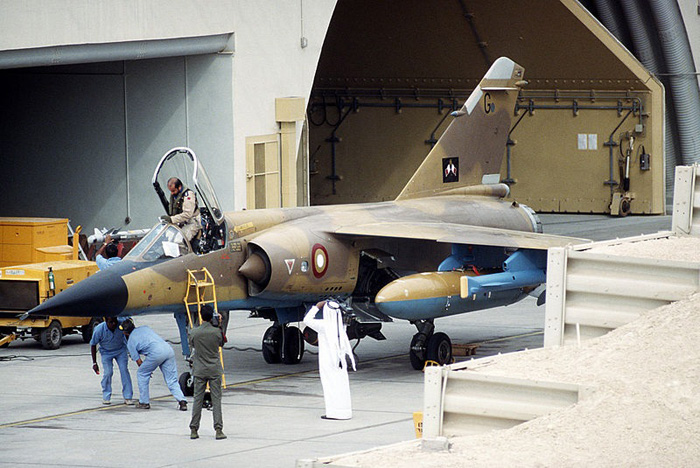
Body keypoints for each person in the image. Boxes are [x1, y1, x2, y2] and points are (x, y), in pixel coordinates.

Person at [303, 300, 356, 420]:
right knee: (342, 386)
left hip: (328, 360)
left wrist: (317, 307)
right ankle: (345, 412)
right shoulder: (341, 326)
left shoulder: (324, 325)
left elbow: (307, 320)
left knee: (330, 386)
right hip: (340, 360)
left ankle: (334, 413)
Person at [120, 319, 188, 411]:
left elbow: (139, 362)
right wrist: (148, 367)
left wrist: (147, 369)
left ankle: (144, 402)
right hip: (168, 349)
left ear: (125, 333)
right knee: (171, 379)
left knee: (141, 373)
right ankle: (182, 401)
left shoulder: (130, 342)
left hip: (156, 353)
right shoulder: (145, 328)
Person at [188, 305, 226, 440]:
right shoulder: (216, 332)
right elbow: (222, 342)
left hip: (199, 369)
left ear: (201, 315)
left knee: (197, 400)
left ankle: (194, 429)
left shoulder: (194, 332)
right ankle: (218, 429)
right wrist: (219, 325)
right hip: (214, 369)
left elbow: (192, 344)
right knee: (216, 400)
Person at [90, 316, 134, 405]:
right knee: (108, 373)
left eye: (115, 321)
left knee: (124, 370)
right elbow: (93, 344)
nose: (114, 324)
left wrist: (131, 350)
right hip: (106, 352)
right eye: (111, 322)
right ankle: (106, 395)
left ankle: (128, 396)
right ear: (106, 321)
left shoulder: (121, 323)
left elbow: (130, 328)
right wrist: (94, 363)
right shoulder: (99, 330)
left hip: (121, 350)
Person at [160, 177, 201, 242]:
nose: (172, 193)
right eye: (171, 191)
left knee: (179, 240)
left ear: (179, 187)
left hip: (191, 222)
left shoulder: (188, 195)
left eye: (173, 191)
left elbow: (188, 214)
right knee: (167, 238)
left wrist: (172, 219)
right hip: (180, 221)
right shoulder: (175, 195)